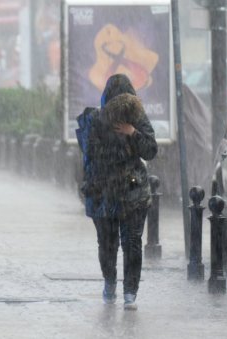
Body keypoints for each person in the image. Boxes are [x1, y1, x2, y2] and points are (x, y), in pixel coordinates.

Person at [76, 74, 157, 310]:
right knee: (108, 244)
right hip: (105, 194)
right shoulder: (95, 122)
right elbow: (92, 155)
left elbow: (151, 149)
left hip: (132, 192)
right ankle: (110, 282)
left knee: (132, 242)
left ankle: (130, 291)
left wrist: (132, 132)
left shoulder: (137, 119)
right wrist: (113, 137)